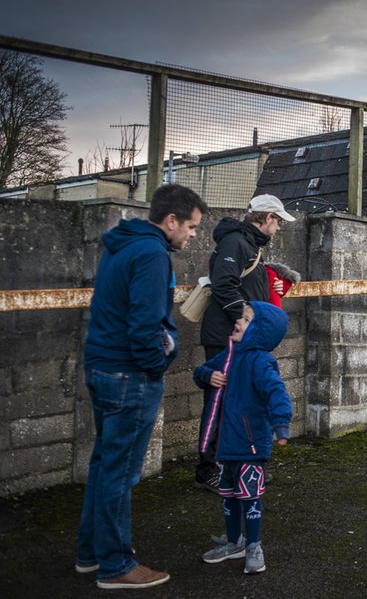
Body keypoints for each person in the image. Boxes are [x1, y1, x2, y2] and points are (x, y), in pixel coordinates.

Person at [75, 184, 207, 590]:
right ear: (171, 221)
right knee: (120, 472)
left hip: (102, 367)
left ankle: (91, 554)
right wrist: (156, 367)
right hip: (129, 375)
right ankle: (116, 566)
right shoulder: (152, 255)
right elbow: (145, 326)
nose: (194, 234)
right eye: (192, 226)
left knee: (104, 464)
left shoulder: (122, 246)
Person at [195, 194, 295, 491]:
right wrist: (249, 320)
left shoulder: (247, 245)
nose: (277, 228)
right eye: (277, 221)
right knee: (219, 403)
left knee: (238, 404)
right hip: (227, 336)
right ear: (266, 218)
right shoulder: (236, 243)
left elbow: (243, 283)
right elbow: (224, 284)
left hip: (238, 336)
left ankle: (232, 467)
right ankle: (207, 469)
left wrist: (273, 283)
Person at [195, 301, 293, 575]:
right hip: (228, 445)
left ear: (260, 330)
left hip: (251, 445)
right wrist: (208, 375)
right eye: (241, 316)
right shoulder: (230, 355)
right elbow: (200, 372)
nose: (238, 321)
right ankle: (233, 541)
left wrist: (281, 423)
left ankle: (253, 546)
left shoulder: (261, 361)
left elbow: (276, 392)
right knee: (228, 495)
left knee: (250, 497)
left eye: (247, 319)